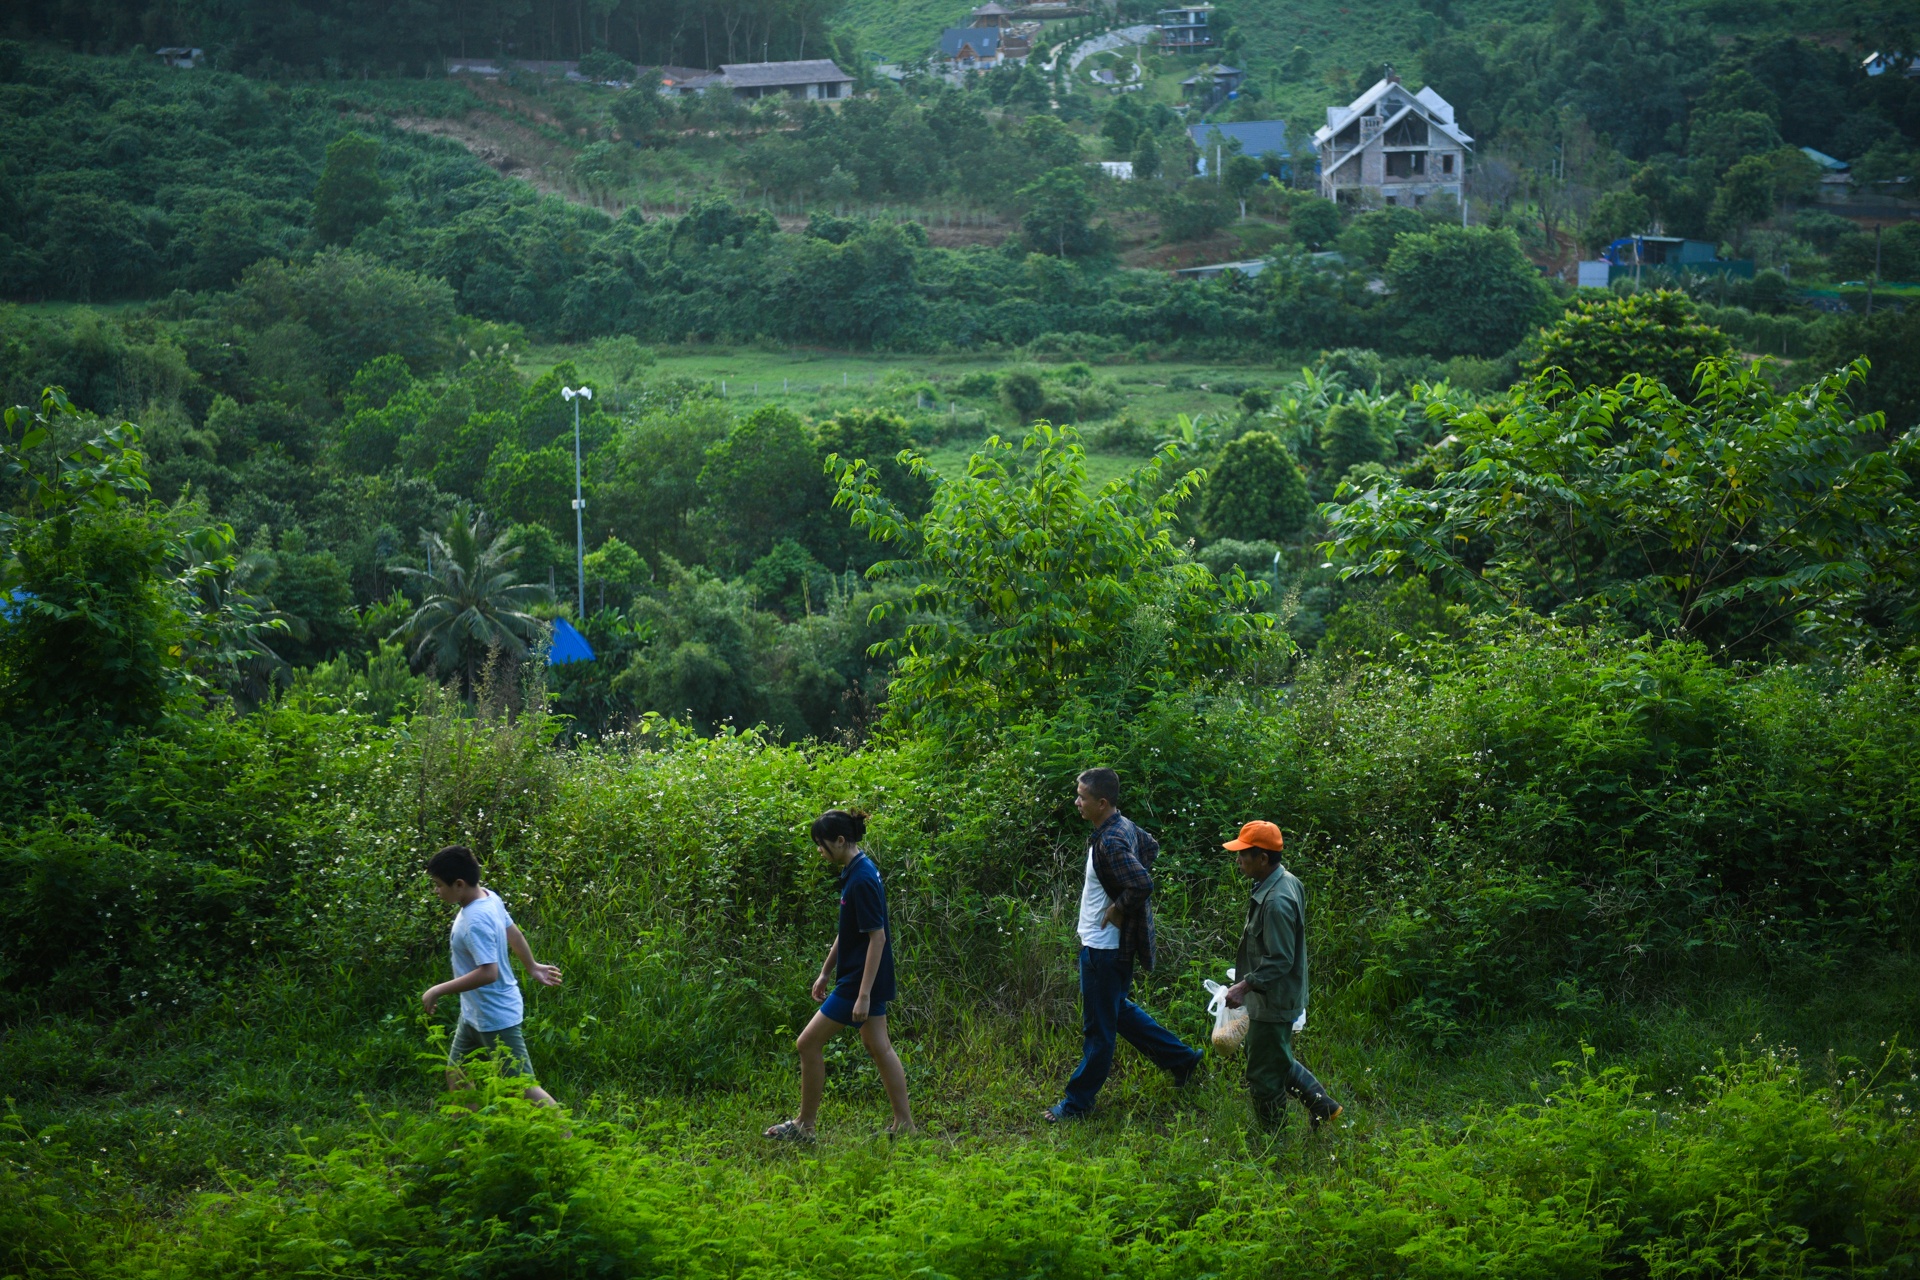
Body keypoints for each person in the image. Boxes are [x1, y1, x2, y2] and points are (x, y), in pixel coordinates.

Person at [1045, 768, 1203, 1122]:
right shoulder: (1119, 826)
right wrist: (1118, 892)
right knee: (1118, 1012)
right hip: (1104, 946)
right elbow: (1150, 846)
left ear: (1102, 803)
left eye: (1082, 797)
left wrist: (1119, 907)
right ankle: (1183, 1061)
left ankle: (1077, 1104)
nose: (1076, 801)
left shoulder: (1111, 841)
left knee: (1099, 1031)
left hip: (1104, 949)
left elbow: (1142, 883)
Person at [765, 809, 915, 1141]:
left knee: (807, 1044)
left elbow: (878, 937)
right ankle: (904, 1124)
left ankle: (805, 1126)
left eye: (821, 845)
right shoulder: (857, 870)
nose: (819, 851)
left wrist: (862, 993)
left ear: (840, 841)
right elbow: (849, 931)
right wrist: (824, 971)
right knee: (879, 1046)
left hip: (860, 979)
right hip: (858, 976)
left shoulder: (861, 878)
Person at [1220, 821, 1342, 1130]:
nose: (1238, 860)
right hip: (1275, 993)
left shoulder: (1276, 901)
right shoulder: (1283, 881)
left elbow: (1280, 960)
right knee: (1272, 1054)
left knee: (1263, 1072)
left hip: (1272, 998)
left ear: (1263, 858)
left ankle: (1272, 1140)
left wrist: (1243, 986)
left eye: (1243, 855)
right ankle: (1323, 1106)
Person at [420, 844, 563, 1107]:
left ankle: (566, 1139)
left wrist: (438, 989)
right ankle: (467, 1136)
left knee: (522, 1087)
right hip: (475, 1014)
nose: (436, 891)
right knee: (457, 1072)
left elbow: (489, 973)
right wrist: (531, 966)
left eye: (439, 885)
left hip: (495, 1017)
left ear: (459, 884)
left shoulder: (475, 919)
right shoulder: (489, 897)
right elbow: (514, 932)